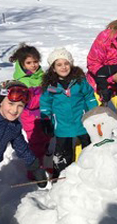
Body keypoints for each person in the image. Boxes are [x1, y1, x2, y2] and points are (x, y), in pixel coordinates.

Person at [0, 80, 47, 224]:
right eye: (11, 103)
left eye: (20, 106)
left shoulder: (14, 127)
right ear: (1, 100)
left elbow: (22, 148)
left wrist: (36, 168)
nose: (14, 110)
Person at [40, 48, 98, 178]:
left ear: (71, 64)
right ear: (53, 68)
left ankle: (90, 171)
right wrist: (46, 119)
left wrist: (94, 112)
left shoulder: (79, 81)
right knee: (62, 152)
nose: (63, 67)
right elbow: (45, 103)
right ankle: (61, 175)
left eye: (66, 63)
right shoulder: (51, 85)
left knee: (88, 147)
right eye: (59, 65)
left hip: (81, 121)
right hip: (62, 124)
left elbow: (89, 96)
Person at [9, 43, 52, 170]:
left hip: (45, 114)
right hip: (31, 117)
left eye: (35, 61)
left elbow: (52, 89)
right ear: (22, 64)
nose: (33, 65)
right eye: (28, 63)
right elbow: (31, 103)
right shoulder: (21, 82)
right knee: (36, 142)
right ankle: (36, 169)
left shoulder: (42, 76)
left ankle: (45, 153)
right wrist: (47, 94)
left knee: (47, 136)